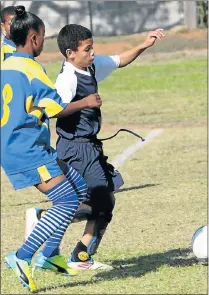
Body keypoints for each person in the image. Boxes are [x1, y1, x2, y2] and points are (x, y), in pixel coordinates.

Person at [26, 24, 165, 271]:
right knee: (100, 198)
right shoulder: (67, 78)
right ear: (70, 53)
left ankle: (81, 255)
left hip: (90, 146)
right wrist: (84, 103)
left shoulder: (89, 66)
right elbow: (54, 109)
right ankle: (46, 221)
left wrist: (144, 44)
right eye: (87, 49)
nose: (92, 53)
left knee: (107, 199)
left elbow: (119, 60)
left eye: (93, 48)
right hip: (75, 147)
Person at [1, 6, 102, 292]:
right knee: (68, 202)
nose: (44, 43)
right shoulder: (32, 69)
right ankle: (21, 256)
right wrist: (84, 98)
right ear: (33, 37)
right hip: (26, 148)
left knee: (80, 190)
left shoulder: (5, 64)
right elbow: (56, 106)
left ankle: (49, 255)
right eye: (43, 37)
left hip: (20, 145)